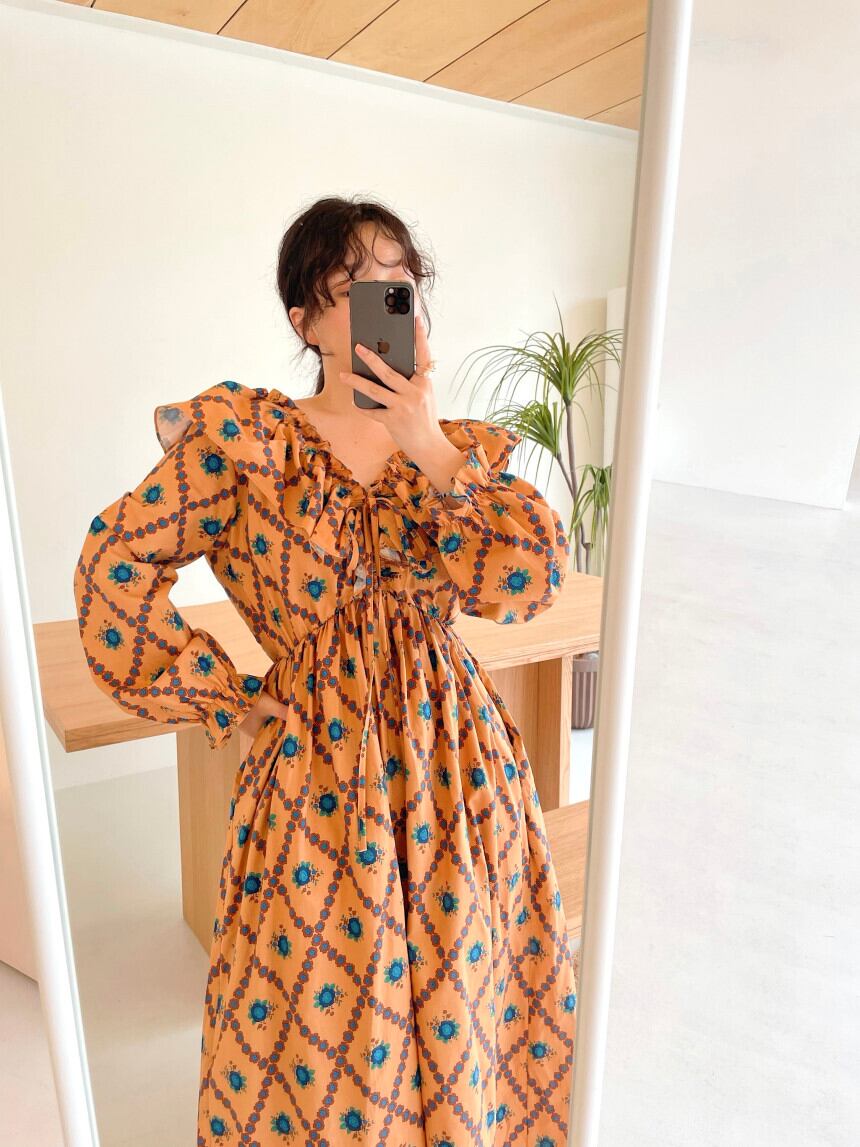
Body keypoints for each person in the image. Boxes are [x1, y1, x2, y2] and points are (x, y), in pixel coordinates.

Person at [73, 195, 578, 1145]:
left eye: (400, 281)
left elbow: (531, 577)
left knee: (463, 988)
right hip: (319, 775)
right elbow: (115, 566)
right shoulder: (249, 445)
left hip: (452, 768)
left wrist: (428, 444)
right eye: (354, 286)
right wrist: (223, 696)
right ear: (304, 320)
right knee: (322, 1010)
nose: (386, 297)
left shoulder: (455, 450)